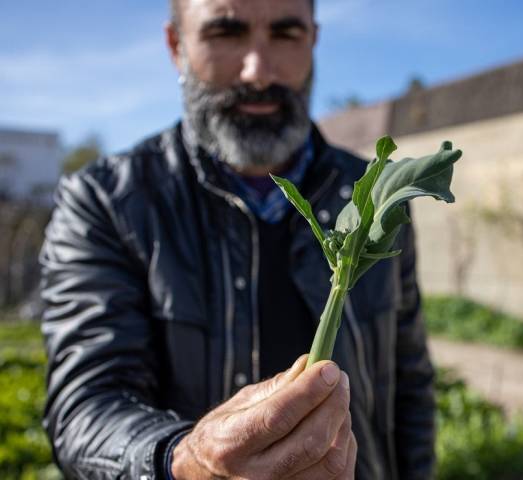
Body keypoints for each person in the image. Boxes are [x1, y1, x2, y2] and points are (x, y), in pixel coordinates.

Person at [40, 0, 435, 478]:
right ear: (176, 46)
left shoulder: (380, 199)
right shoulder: (103, 202)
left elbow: (409, 385)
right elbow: (83, 408)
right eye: (226, 33)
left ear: (313, 40)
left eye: (286, 34)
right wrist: (182, 459)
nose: (258, 71)